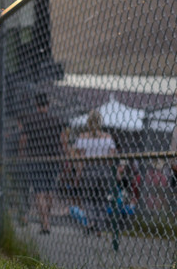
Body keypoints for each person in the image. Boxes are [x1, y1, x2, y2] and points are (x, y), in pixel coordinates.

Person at [21, 93, 64, 234]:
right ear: (48, 104)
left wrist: (22, 154)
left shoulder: (30, 120)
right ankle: (48, 220)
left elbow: (24, 139)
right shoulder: (56, 120)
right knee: (50, 190)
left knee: (39, 191)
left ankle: (44, 222)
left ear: (36, 104)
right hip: (53, 158)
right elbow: (63, 139)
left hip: (35, 158)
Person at [71, 110, 116, 233]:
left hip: (89, 169)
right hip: (104, 169)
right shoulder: (108, 137)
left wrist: (78, 174)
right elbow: (112, 157)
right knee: (101, 199)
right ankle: (99, 226)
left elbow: (80, 159)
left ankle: (91, 221)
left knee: (88, 198)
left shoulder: (83, 137)